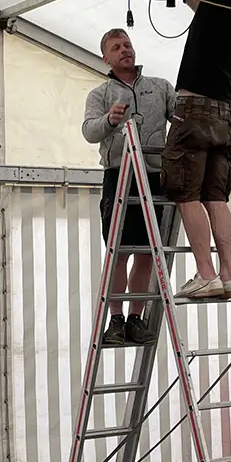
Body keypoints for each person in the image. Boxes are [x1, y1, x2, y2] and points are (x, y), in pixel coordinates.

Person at [137, 0, 231, 300]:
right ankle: (228, 274)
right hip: (224, 115)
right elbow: (200, 7)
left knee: (185, 192)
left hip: (196, 110)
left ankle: (205, 273)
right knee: (215, 196)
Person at [81, 28, 176, 345]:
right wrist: (110, 119)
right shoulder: (100, 94)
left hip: (153, 177)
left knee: (148, 253)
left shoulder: (160, 87)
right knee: (118, 252)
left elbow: (182, 118)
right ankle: (116, 320)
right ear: (105, 58)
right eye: (116, 47)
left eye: (127, 44)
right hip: (119, 177)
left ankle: (136, 318)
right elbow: (89, 131)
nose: (125, 50)